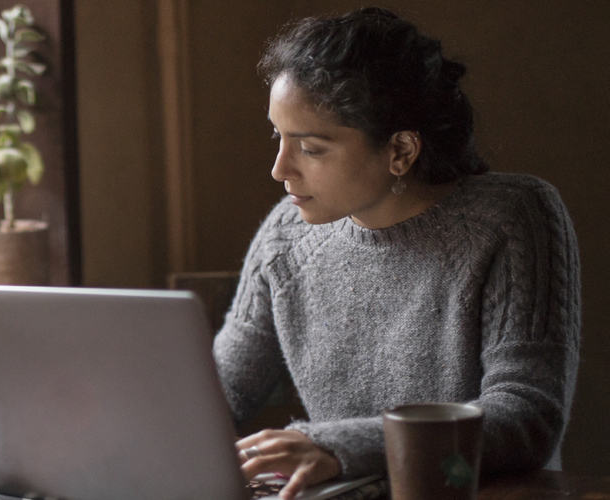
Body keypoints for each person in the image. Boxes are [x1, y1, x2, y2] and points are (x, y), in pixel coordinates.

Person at [213, 7, 581, 499]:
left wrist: (334, 445)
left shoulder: (514, 218)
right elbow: (218, 395)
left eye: (311, 148)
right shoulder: (285, 236)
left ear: (401, 151)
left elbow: (526, 417)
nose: (280, 169)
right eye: (278, 137)